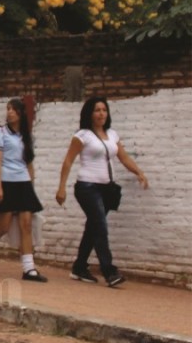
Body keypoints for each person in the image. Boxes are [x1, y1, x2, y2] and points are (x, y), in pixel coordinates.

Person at [55, 96, 149, 287]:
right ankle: (109, 271)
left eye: (104, 110)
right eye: (97, 110)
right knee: (100, 226)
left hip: (107, 189)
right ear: (90, 113)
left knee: (94, 228)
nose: (101, 114)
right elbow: (68, 161)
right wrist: (61, 187)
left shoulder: (112, 134)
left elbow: (123, 157)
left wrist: (139, 172)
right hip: (87, 187)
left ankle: (79, 267)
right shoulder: (82, 135)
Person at [0, 98, 47, 281]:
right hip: (6, 182)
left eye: (13, 109)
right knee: (3, 227)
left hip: (23, 183)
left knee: (27, 225)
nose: (9, 112)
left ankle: (29, 269)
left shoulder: (26, 135)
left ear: (21, 113)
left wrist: (31, 186)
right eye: (8, 109)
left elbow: (29, 163)